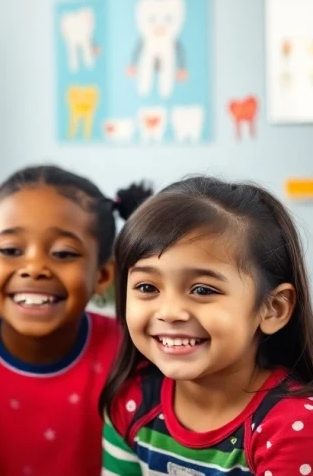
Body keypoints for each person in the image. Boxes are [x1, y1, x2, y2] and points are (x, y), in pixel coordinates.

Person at [0, 165, 152, 476]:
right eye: (11, 250)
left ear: (103, 275)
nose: (35, 268)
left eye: (63, 254)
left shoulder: (130, 354)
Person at [100, 177, 313, 475]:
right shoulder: (131, 399)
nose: (170, 312)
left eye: (202, 290)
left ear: (272, 309)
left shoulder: (295, 428)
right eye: (147, 287)